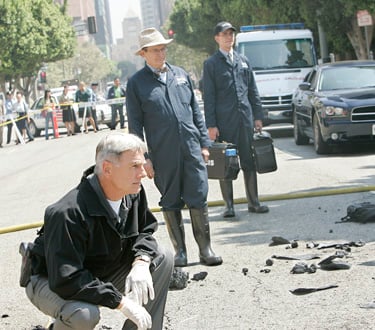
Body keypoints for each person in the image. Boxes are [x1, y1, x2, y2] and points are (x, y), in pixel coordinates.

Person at [24, 132, 174, 330]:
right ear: (107, 169)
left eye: (142, 164)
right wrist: (121, 301)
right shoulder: (67, 212)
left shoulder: (132, 192)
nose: (143, 173)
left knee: (163, 257)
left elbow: (145, 230)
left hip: (99, 270)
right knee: (84, 315)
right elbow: (66, 279)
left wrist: (141, 262)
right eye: (134, 166)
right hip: (52, 281)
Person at [126, 27, 222, 267]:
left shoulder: (180, 75)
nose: (161, 54)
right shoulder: (137, 83)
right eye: (155, 50)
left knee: (198, 194)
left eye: (163, 49)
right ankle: (180, 252)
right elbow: (135, 126)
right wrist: (143, 158)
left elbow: (195, 112)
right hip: (162, 152)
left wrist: (204, 143)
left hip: (191, 147)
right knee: (170, 199)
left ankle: (205, 249)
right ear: (144, 54)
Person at [203, 21, 269, 218]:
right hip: (224, 123)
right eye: (224, 34)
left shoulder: (243, 61)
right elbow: (209, 97)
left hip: (245, 120)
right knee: (226, 163)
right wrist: (211, 125)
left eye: (231, 34)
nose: (228, 38)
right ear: (217, 38)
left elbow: (252, 91)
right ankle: (229, 206)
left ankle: (253, 202)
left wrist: (258, 116)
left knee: (249, 161)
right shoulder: (211, 64)